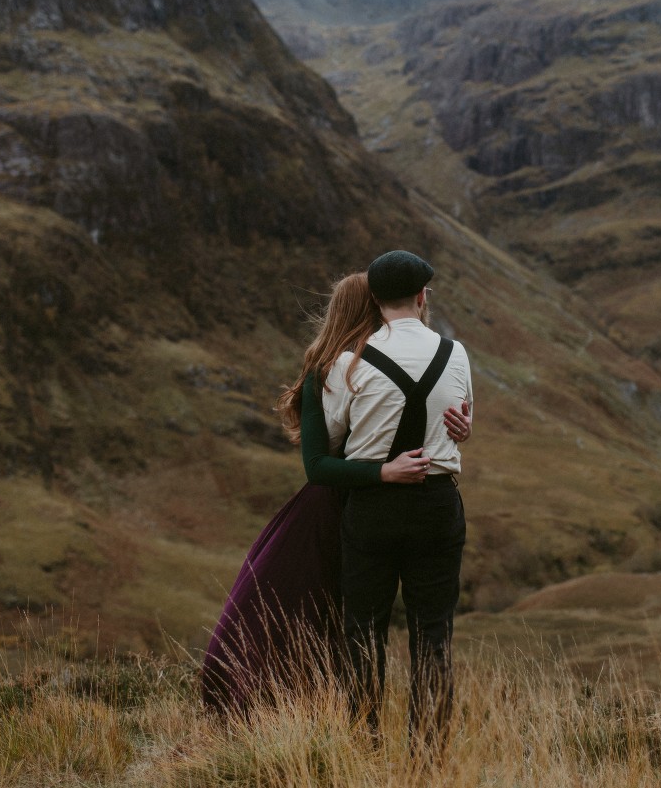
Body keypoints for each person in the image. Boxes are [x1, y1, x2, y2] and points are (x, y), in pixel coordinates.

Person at [199, 270, 470, 716]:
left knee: (353, 630)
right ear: (371, 309)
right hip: (333, 507)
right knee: (332, 626)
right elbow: (316, 465)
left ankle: (354, 739)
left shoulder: (378, 362)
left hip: (368, 507)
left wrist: (461, 426)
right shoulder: (329, 370)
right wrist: (383, 472)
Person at [315, 249, 473, 750]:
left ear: (374, 300)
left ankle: (364, 746)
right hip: (437, 503)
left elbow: (334, 441)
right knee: (434, 630)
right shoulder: (457, 353)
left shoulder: (347, 362)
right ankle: (427, 755)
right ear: (423, 297)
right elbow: (457, 418)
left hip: (373, 506)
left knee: (363, 626)